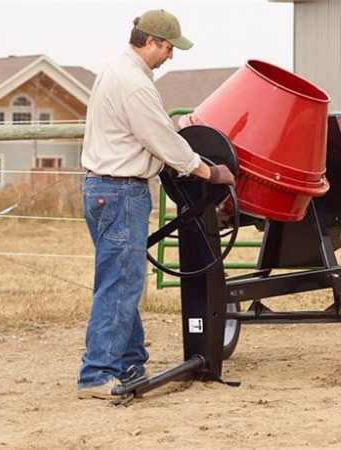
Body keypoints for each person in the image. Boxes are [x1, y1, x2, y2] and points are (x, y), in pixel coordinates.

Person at [77, 9, 235, 400]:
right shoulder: (134, 84)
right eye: (168, 48)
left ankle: (130, 362)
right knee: (120, 284)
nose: (170, 57)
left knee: (120, 280)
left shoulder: (116, 68)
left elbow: (151, 129)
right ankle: (96, 374)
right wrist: (208, 172)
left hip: (100, 189)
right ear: (150, 42)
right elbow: (161, 141)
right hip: (121, 191)